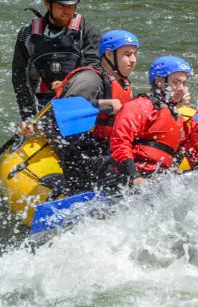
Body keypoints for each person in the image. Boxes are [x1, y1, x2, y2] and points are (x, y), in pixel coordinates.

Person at [45, 30, 139, 192]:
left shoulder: (122, 83)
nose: (133, 60)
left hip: (103, 149)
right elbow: (60, 114)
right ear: (109, 54)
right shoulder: (90, 79)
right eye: (127, 54)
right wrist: (101, 104)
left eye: (135, 54)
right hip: (79, 156)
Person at [11, 0, 101, 123]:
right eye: (61, 6)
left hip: (82, 100)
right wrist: (28, 119)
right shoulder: (29, 34)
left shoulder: (88, 30)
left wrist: (68, 85)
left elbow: (94, 69)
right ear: (47, 4)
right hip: (48, 103)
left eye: (71, 6)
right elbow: (20, 77)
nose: (67, 12)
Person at [110, 56, 193, 186]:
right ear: (159, 81)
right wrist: (135, 176)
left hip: (159, 178)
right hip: (130, 177)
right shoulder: (140, 106)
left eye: (184, 83)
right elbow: (120, 142)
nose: (182, 88)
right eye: (176, 82)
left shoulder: (177, 117)